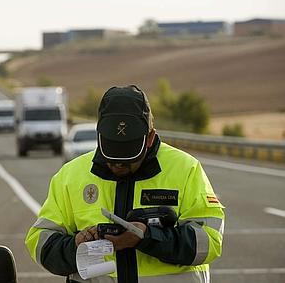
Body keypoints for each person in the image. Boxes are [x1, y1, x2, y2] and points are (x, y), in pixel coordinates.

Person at [25, 85, 225, 283]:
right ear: (100, 136)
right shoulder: (69, 176)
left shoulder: (185, 169)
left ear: (150, 138)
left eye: (128, 157)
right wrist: (76, 245)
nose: (118, 165)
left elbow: (209, 242)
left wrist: (148, 237)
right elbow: (40, 243)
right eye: (111, 155)